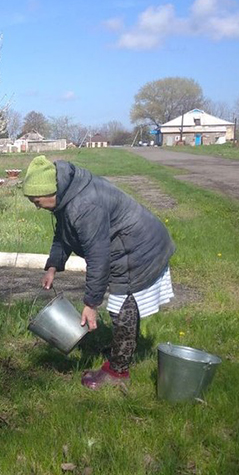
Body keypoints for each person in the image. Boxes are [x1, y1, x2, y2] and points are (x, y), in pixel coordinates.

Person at [22, 155, 176, 389]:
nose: (35, 205)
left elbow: (98, 256)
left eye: (36, 200)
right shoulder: (66, 194)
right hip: (126, 245)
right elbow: (64, 232)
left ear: (50, 191)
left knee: (123, 307)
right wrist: (53, 266)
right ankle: (119, 351)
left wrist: (91, 304)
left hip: (139, 248)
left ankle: (118, 372)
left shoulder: (85, 206)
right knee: (122, 305)